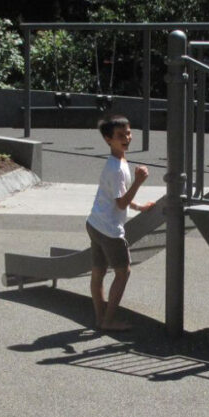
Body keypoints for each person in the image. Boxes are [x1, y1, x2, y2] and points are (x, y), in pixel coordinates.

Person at [85, 115, 157, 332]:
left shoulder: (117, 162)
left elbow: (118, 198)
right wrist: (138, 182)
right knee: (123, 272)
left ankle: (100, 318)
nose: (126, 137)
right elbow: (120, 202)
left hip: (94, 224)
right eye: (120, 135)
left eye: (128, 132)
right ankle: (108, 321)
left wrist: (138, 208)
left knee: (98, 272)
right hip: (109, 230)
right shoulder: (117, 169)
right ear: (108, 139)